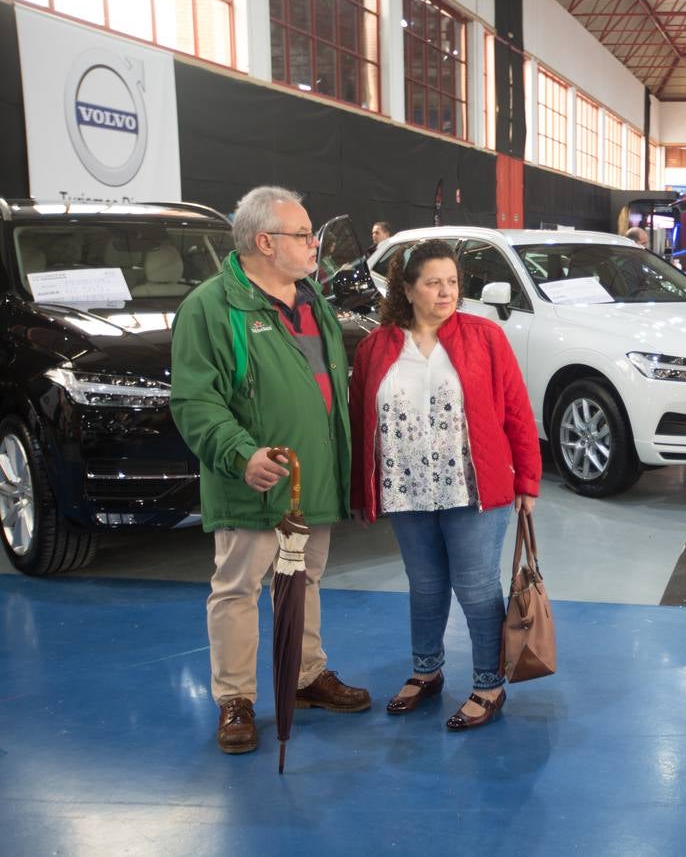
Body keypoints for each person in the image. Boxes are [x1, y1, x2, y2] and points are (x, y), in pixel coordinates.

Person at [170, 185, 371, 756]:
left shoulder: (311, 301)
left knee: (304, 580)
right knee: (238, 588)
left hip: (313, 481)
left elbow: (324, 389)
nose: (315, 244)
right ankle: (236, 698)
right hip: (253, 481)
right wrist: (240, 453)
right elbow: (194, 401)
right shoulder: (212, 308)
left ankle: (306, 676)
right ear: (264, 241)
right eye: (303, 235)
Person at [348, 238, 541, 731]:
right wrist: (357, 487)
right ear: (408, 289)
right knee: (426, 586)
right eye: (433, 283)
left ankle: (487, 683)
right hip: (406, 488)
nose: (445, 292)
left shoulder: (485, 337)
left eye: (452, 282)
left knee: (476, 589)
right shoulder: (375, 347)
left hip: (474, 488)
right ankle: (426, 672)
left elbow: (517, 410)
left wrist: (528, 481)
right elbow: (357, 419)